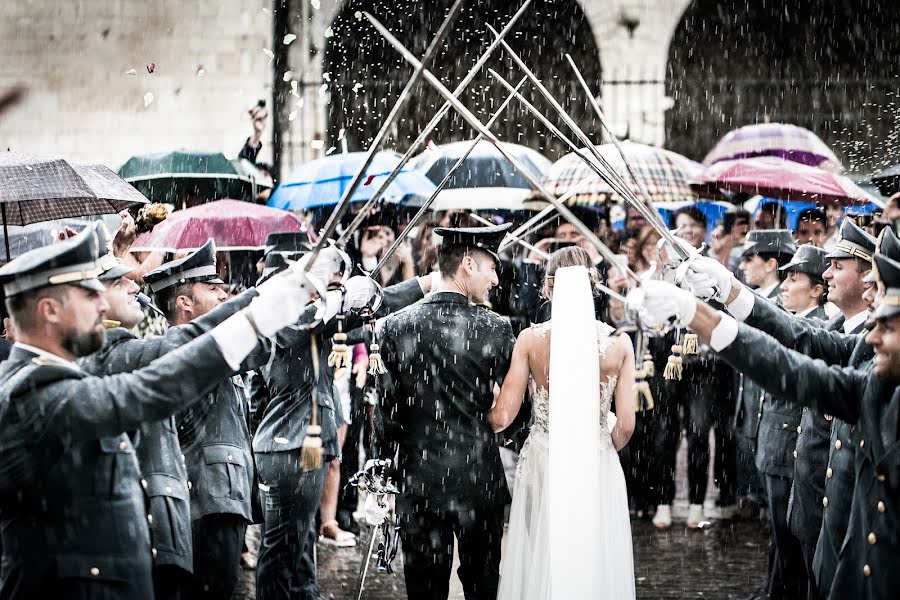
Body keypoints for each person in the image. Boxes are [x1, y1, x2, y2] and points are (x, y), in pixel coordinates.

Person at [0, 223, 314, 599]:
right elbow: (154, 387)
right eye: (88, 295)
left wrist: (267, 298)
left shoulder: (50, 381)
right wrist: (254, 318)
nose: (102, 303)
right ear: (49, 310)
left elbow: (181, 344)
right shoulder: (34, 394)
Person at [632, 245, 900, 600]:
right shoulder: (875, 374)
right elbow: (796, 355)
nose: (872, 334)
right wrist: (718, 298)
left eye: (889, 324)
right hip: (842, 559)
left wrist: (700, 311)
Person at [252, 238, 430, 600]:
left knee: (298, 541)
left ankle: (305, 593)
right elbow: (327, 319)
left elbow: (363, 323)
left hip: (289, 445)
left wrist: (423, 286)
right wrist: (344, 296)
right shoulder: (287, 319)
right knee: (281, 549)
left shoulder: (306, 322)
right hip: (292, 447)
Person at [489, 247, 636, 599]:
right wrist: (599, 444)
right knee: (592, 546)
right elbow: (627, 425)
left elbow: (504, 415)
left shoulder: (530, 340)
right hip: (596, 459)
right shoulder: (619, 343)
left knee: (543, 544)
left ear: (548, 288)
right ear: (593, 286)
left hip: (544, 456)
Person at [379, 223, 516, 600]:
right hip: (478, 478)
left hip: (419, 480)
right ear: (468, 264)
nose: (495, 278)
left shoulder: (395, 326)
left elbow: (386, 417)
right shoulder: (497, 328)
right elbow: (514, 408)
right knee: (482, 584)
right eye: (491, 267)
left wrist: (387, 458)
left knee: (425, 589)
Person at [756, 244, 830, 599]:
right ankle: (773, 590)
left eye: (794, 278)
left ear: (817, 290)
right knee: (778, 533)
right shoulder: (796, 323)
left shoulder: (818, 330)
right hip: (775, 441)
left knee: (791, 539)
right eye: (783, 278)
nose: (784, 285)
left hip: (790, 447)